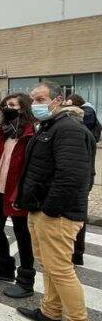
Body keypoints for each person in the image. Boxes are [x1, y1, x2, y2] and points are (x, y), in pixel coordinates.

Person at [15, 82, 96, 321]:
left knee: (60, 270)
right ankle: (50, 312)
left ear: (57, 100)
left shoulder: (68, 129)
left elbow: (72, 177)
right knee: (48, 266)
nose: (35, 105)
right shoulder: (49, 126)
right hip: (40, 210)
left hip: (57, 214)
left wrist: (50, 210)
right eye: (33, 100)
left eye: (40, 99)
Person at [0, 93, 37, 298]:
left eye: (12, 104)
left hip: (17, 190)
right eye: (5, 104)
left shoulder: (30, 132)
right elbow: (0, 157)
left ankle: (26, 280)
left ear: (23, 108)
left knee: (22, 234)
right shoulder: (3, 130)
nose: (7, 107)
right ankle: (4, 266)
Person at [65, 93, 101, 266]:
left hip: (77, 179)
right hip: (85, 177)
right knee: (78, 214)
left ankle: (75, 252)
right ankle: (77, 252)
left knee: (74, 215)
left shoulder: (78, 132)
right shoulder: (87, 129)